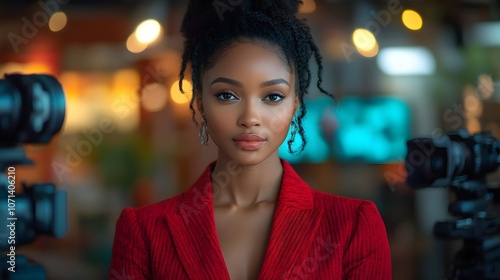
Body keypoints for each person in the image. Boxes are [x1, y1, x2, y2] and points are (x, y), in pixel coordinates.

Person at [110, 0, 392, 279]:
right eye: (227, 95)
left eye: (272, 97)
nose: (250, 117)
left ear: (295, 103)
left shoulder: (353, 225)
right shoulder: (144, 231)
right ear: (199, 101)